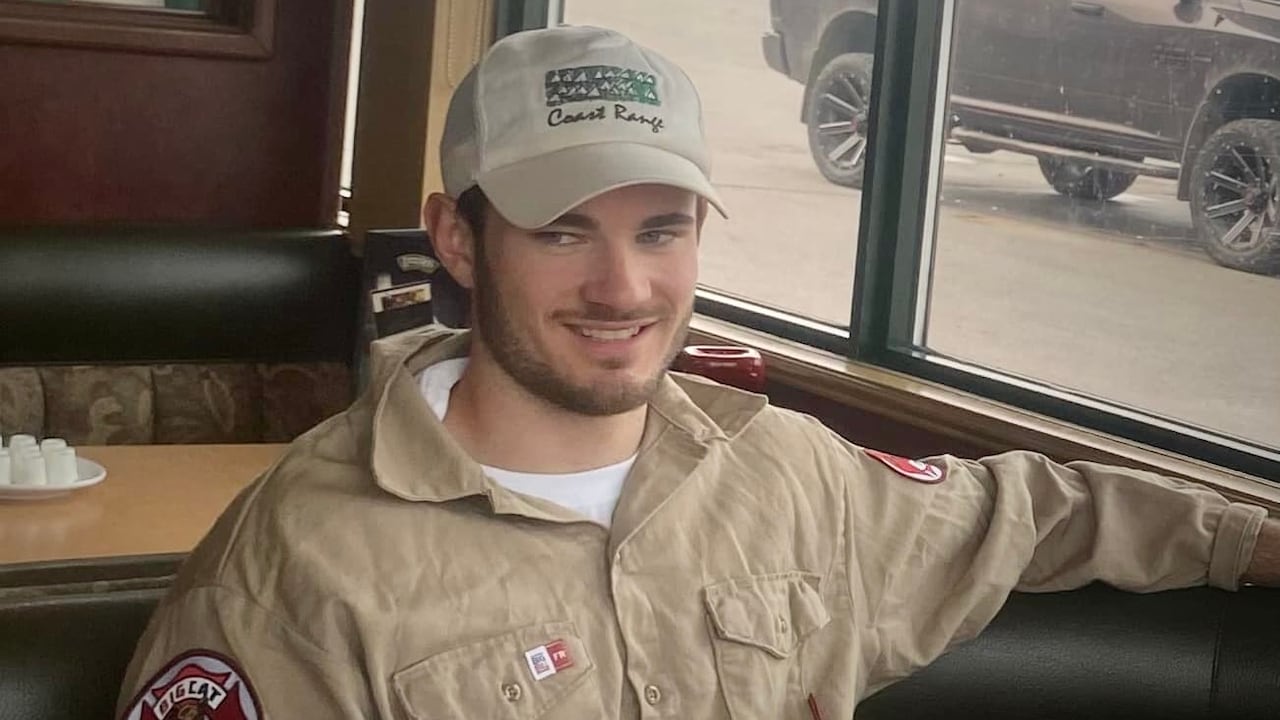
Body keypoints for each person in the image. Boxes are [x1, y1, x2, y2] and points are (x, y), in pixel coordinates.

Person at [116, 25, 1280, 720]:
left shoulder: (790, 476)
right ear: (457, 239)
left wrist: (1249, 539)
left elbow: (1031, 513)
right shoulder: (296, 565)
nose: (622, 287)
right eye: (562, 230)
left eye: (661, 229)